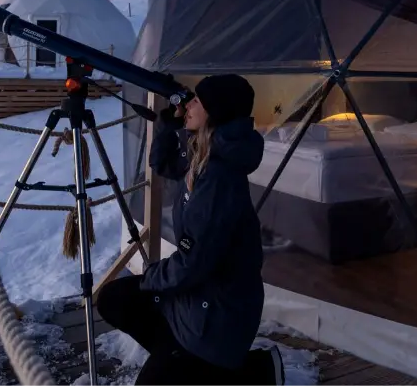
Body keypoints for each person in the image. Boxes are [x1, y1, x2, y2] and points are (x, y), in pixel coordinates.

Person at [96, 74, 285, 385]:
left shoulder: (219, 178)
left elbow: (191, 263)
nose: (189, 105)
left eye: (197, 100)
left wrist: (151, 275)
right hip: (195, 298)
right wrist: (169, 126)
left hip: (214, 318)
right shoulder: (209, 152)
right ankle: (177, 359)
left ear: (216, 112)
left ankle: (248, 372)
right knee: (114, 299)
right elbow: (165, 165)